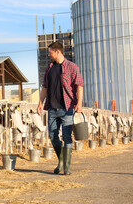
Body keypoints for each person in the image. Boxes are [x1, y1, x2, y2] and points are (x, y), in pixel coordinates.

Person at [37, 41, 84, 175]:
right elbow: (45, 87)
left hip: (67, 108)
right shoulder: (49, 68)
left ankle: (67, 167)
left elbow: (79, 85)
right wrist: (40, 102)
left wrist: (79, 103)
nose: (49, 54)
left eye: (50, 52)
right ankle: (61, 161)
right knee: (53, 136)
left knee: (67, 137)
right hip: (52, 108)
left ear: (58, 52)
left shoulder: (72, 67)